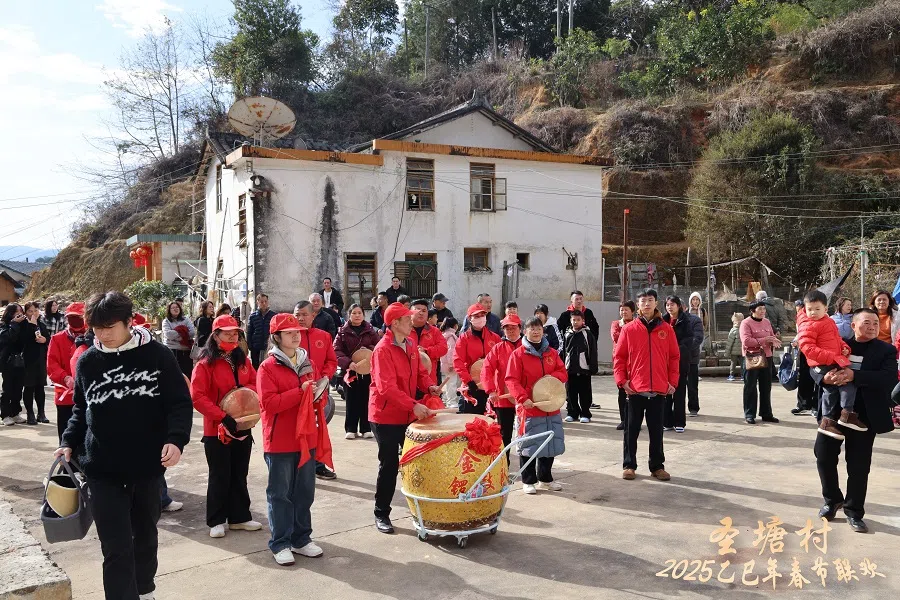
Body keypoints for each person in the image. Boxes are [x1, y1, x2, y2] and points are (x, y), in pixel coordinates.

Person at [55, 291, 193, 600]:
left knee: (145, 535)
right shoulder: (89, 360)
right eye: (96, 328)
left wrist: (176, 439)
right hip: (102, 468)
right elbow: (80, 409)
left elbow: (179, 403)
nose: (103, 335)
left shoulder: (157, 355)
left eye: (110, 327)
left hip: (147, 465)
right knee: (115, 545)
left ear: (129, 322)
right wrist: (68, 442)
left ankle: (144, 590)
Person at [815, 308, 896, 533]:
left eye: (875, 324)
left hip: (864, 415)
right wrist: (824, 377)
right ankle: (832, 500)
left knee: (858, 466)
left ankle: (854, 511)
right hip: (833, 413)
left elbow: (888, 377)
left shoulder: (886, 350)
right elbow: (814, 365)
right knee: (823, 456)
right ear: (853, 325)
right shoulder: (838, 343)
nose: (871, 327)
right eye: (866, 322)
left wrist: (854, 375)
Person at [257, 313, 327, 565]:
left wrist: (319, 396)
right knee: (280, 494)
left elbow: (317, 395)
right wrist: (300, 393)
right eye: (290, 332)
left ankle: (301, 539)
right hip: (280, 440)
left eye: (298, 331)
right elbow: (269, 404)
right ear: (277, 337)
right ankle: (280, 542)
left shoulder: (307, 363)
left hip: (305, 437)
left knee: (304, 491)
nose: (296, 335)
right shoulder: (267, 367)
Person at [368, 302, 438, 533]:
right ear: (395, 323)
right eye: (407, 319)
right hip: (385, 416)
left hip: (407, 412)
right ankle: (381, 513)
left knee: (415, 461)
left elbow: (420, 374)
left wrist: (429, 388)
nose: (412, 321)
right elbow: (386, 388)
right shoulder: (382, 349)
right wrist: (414, 405)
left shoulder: (410, 344)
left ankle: (421, 509)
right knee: (389, 465)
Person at [190, 315, 261, 539]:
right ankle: (217, 519)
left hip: (243, 423)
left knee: (240, 472)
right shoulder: (205, 364)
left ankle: (240, 517)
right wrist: (222, 415)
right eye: (227, 332)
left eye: (236, 332)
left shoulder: (243, 360)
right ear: (215, 335)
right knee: (220, 474)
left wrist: (241, 395)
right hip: (217, 428)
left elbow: (255, 382)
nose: (233, 335)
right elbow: (197, 397)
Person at [613, 288, 679, 482]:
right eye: (643, 301)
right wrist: (622, 380)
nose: (647, 304)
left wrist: (672, 381)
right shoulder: (629, 329)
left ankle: (657, 466)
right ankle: (629, 465)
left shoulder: (666, 329)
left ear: (656, 303)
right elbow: (620, 357)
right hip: (635, 389)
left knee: (656, 431)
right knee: (630, 430)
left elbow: (675, 357)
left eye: (650, 300)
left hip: (659, 389)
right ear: (638, 305)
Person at [505, 317, 568, 494]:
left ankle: (546, 479)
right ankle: (528, 480)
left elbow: (562, 372)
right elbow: (511, 379)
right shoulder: (518, 354)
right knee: (529, 445)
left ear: (543, 331)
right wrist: (522, 397)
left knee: (550, 443)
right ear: (525, 331)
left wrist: (551, 380)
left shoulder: (552, 353)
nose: (535, 331)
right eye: (531, 328)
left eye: (538, 328)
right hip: (530, 407)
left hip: (550, 406)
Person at [798, 290, 859, 440]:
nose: (812, 312)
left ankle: (847, 413)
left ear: (826, 309)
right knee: (830, 389)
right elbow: (807, 348)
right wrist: (832, 356)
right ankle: (827, 421)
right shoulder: (808, 325)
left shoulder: (829, 321)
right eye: (809, 309)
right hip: (821, 364)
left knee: (847, 384)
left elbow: (837, 339)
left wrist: (845, 348)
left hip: (835, 361)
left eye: (817, 309)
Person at [293, 301, 338, 480]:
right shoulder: (290, 337)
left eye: (304, 314)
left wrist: (324, 378)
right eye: (297, 314)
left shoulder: (324, 336)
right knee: (298, 429)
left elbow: (331, 361)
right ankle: (298, 465)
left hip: (319, 392)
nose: (301, 318)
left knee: (318, 428)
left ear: (313, 316)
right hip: (298, 392)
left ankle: (318, 465)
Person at [333, 304, 378, 439]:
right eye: (354, 313)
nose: (357, 315)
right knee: (351, 400)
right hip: (350, 371)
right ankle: (351, 428)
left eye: (359, 313)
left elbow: (379, 346)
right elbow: (336, 350)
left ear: (363, 315)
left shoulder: (370, 331)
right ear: (349, 315)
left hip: (367, 370)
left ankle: (366, 428)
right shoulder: (342, 331)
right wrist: (349, 363)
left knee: (366, 399)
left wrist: (368, 350)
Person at [481, 314, 523, 462]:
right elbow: (486, 369)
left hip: (525, 398)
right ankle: (503, 465)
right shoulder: (498, 348)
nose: (510, 331)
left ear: (520, 328)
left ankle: (528, 470)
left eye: (513, 327)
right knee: (504, 434)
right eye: (507, 328)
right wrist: (491, 390)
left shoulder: (527, 347)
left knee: (526, 432)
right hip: (503, 398)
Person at [47, 302, 86, 440]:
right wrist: (66, 378)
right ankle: (65, 460)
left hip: (87, 396)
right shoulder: (57, 339)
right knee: (66, 434)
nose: (75, 320)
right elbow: (52, 364)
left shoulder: (93, 338)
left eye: (79, 317)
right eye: (71, 317)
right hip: (65, 395)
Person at [453, 303, 501, 414]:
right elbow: (458, 361)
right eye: (476, 316)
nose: (480, 318)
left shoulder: (495, 337)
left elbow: (501, 360)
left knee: (490, 422)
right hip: (472, 386)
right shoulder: (464, 338)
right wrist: (468, 381)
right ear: (470, 318)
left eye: (482, 315)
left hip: (491, 386)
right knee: (470, 421)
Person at [739, 300, 781, 425]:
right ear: (752, 311)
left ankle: (766, 413)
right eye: (760, 309)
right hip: (752, 357)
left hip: (767, 357)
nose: (763, 311)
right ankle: (749, 414)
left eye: (764, 309)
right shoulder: (745, 323)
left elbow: (771, 336)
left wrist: (774, 340)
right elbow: (746, 341)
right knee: (750, 386)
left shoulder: (767, 322)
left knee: (766, 386)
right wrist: (764, 340)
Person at [661, 296, 692, 433]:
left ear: (679, 306)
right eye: (667, 305)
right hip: (664, 362)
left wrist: (675, 350)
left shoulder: (686, 320)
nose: (669, 307)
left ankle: (679, 422)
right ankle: (667, 422)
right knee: (665, 392)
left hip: (680, 362)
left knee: (679, 392)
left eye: (672, 304)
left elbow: (689, 340)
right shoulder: (662, 320)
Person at [562, 310, 598, 423]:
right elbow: (564, 352)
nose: (576, 322)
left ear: (583, 321)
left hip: (584, 370)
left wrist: (592, 367)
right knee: (570, 393)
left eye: (578, 320)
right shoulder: (567, 334)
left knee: (585, 393)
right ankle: (572, 413)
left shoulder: (588, 334)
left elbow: (593, 351)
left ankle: (585, 413)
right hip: (570, 369)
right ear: (570, 321)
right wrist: (563, 367)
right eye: (573, 320)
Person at [21, 302, 50, 425]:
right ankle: (30, 414)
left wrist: (44, 340)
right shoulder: (24, 325)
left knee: (40, 387)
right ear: (26, 312)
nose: (33, 313)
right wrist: (31, 326)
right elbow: (23, 340)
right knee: (29, 387)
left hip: (40, 360)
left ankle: (41, 413)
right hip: (28, 361)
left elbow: (48, 338)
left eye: (36, 310)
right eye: (30, 311)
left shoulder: (42, 324)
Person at [409, 299, 448, 387]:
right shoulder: (404, 329)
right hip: (407, 378)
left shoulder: (434, 331)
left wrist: (426, 352)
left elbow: (443, 348)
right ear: (410, 312)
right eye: (417, 309)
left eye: (424, 311)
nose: (421, 313)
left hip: (429, 377)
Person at [610, 301, 636, 429]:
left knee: (635, 392)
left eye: (626, 310)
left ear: (632, 311)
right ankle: (624, 420)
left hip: (635, 362)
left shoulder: (638, 323)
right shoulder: (616, 324)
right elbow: (617, 338)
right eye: (621, 310)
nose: (623, 312)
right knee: (622, 391)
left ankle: (634, 420)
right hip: (620, 362)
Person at [0, 303, 26, 426]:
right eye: (17, 311)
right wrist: (14, 324)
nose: (20, 313)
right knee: (7, 389)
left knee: (18, 389)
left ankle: (15, 412)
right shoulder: (4, 325)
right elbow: (7, 338)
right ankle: (5, 414)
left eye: (21, 311)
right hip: (8, 362)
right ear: (11, 313)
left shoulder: (23, 325)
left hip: (21, 361)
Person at [161, 301, 195, 376]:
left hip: (186, 351)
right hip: (172, 350)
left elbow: (192, 333)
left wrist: (176, 334)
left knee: (188, 374)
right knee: (173, 374)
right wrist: (183, 333)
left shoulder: (186, 319)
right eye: (173, 308)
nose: (175, 309)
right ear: (169, 310)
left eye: (177, 307)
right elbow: (168, 335)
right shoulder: (166, 321)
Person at [246, 294, 275, 369]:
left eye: (265, 301)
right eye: (262, 302)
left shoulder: (273, 316)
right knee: (256, 366)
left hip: (269, 347)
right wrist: (249, 345)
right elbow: (249, 332)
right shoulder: (252, 316)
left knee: (269, 366)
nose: (264, 303)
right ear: (257, 302)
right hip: (256, 346)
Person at [440, 318, 460, 406]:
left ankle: (449, 399)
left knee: (448, 382)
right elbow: (451, 351)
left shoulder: (444, 335)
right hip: (450, 364)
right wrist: (452, 363)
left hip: (445, 363)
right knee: (452, 383)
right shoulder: (451, 336)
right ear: (455, 326)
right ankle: (451, 401)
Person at [725, 313, 744, 382]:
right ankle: (743, 375)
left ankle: (731, 375)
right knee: (743, 364)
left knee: (733, 364)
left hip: (734, 352)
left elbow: (729, 342)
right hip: (742, 351)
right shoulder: (744, 329)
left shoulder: (733, 330)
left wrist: (727, 353)